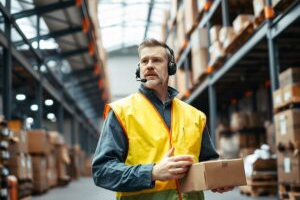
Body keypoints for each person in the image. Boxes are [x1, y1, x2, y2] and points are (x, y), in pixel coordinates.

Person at [92, 39, 233, 200]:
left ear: (170, 67)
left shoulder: (195, 116)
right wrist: (152, 173)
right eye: (144, 61)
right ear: (139, 69)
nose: (149, 65)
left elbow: (208, 161)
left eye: (157, 60)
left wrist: (219, 180)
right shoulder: (121, 112)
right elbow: (102, 171)